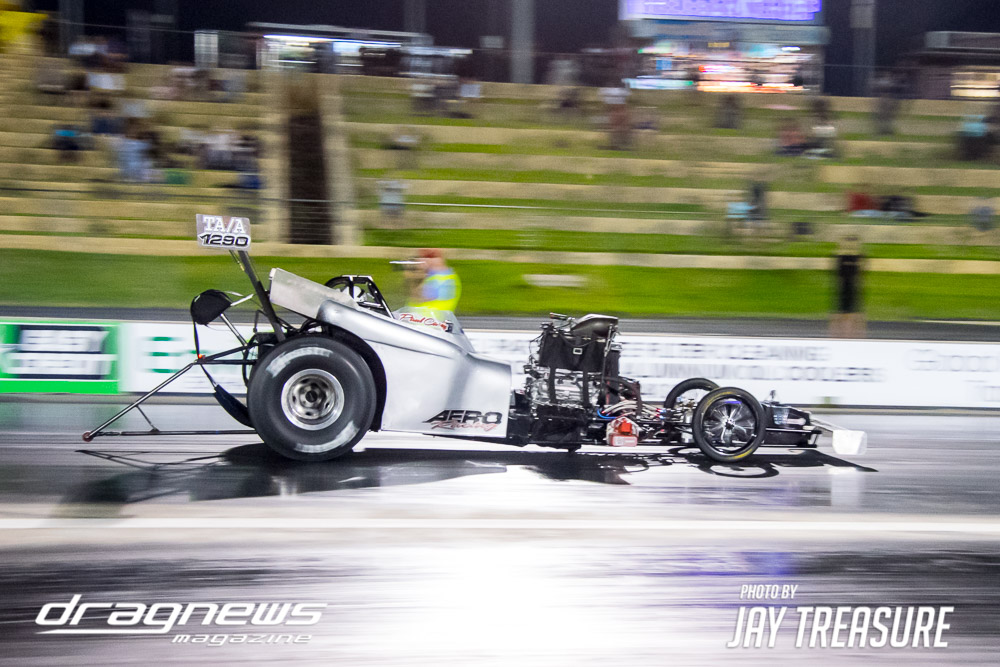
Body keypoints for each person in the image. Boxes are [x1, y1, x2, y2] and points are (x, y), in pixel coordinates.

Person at [406, 248, 461, 315]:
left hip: (428, 319)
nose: (420, 261)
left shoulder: (440, 279)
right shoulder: (441, 276)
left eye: (425, 257)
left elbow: (418, 298)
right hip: (426, 318)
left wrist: (412, 276)